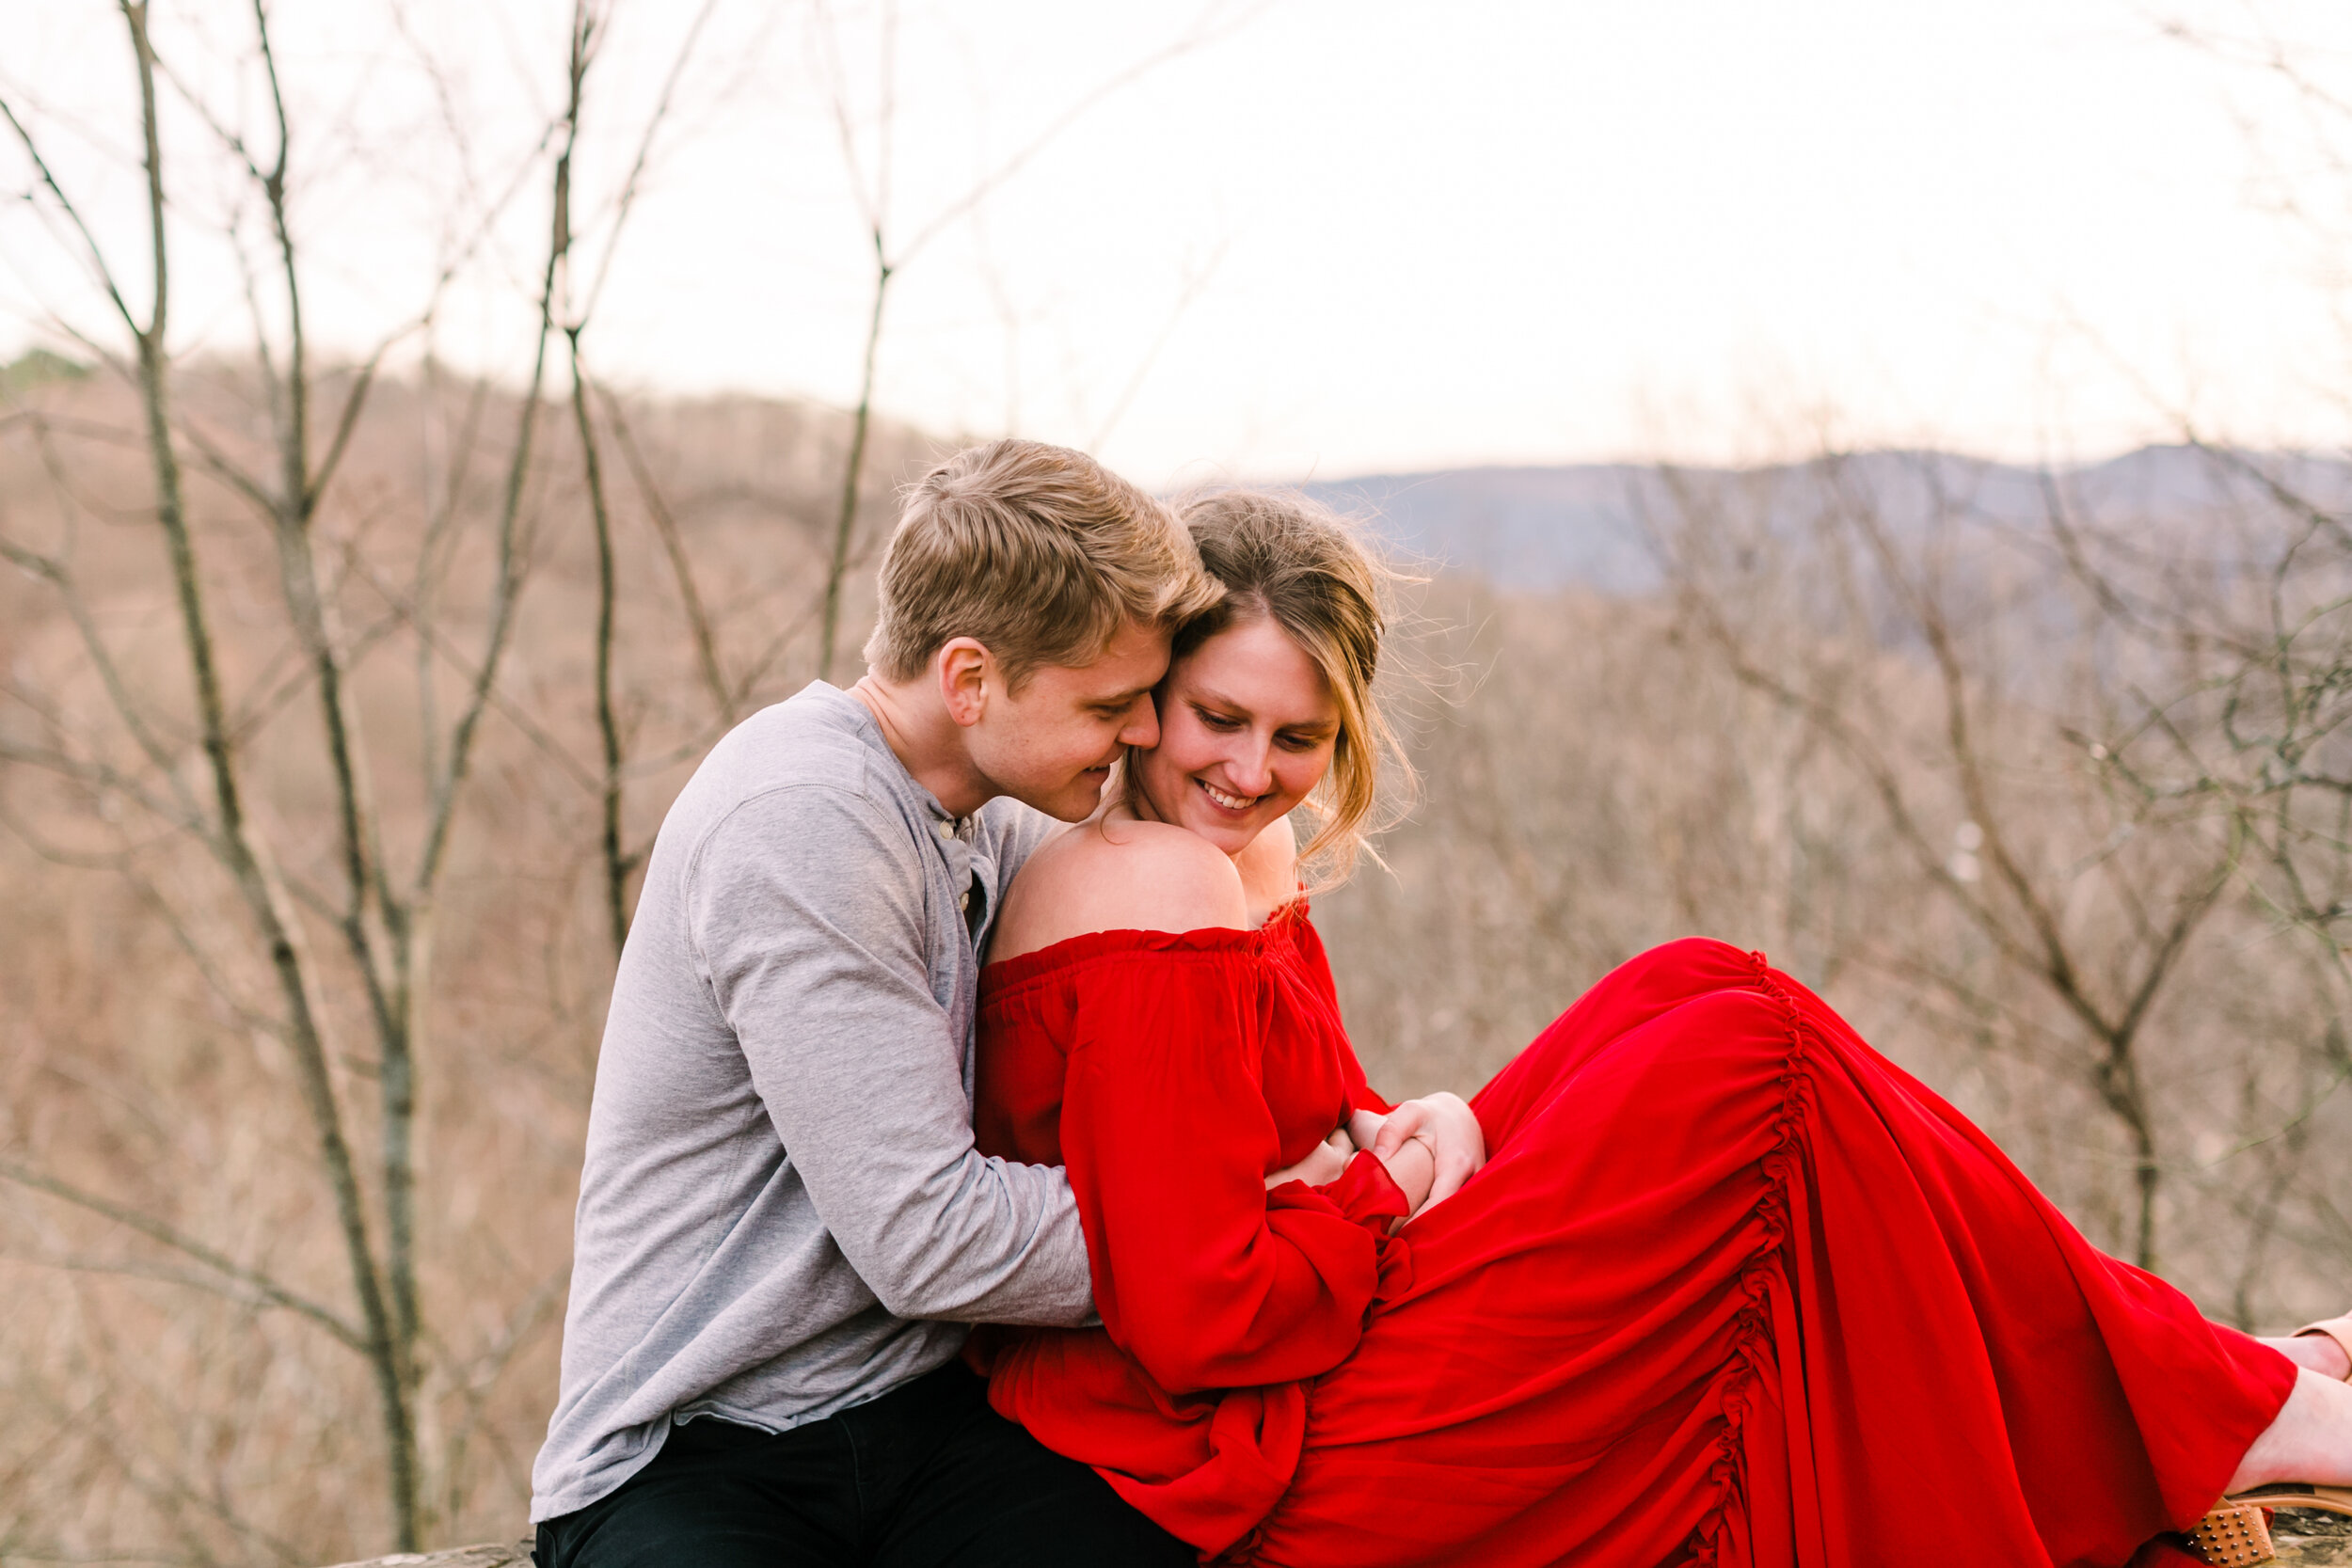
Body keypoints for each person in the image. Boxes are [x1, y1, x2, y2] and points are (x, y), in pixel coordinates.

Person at [967, 487, 2352, 1568]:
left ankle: (2200, 1375)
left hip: (1311, 1310)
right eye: (1219, 717)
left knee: (1695, 981)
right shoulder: (1148, 885)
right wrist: (1389, 1179)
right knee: (1743, 1068)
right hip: (1243, 1442)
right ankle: (2237, 1398)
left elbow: (1288, 1113)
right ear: (1146, 693)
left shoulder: (1221, 852)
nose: (1252, 772)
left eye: (1299, 737)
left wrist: (1389, 1125)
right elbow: (1195, 1316)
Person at [530, 439, 1221, 1568]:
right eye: (1113, 702)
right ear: (968, 679)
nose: (1144, 730)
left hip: (921, 1416)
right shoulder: (803, 818)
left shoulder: (991, 811)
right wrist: (1233, 1226)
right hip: (695, 1446)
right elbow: (932, 1240)